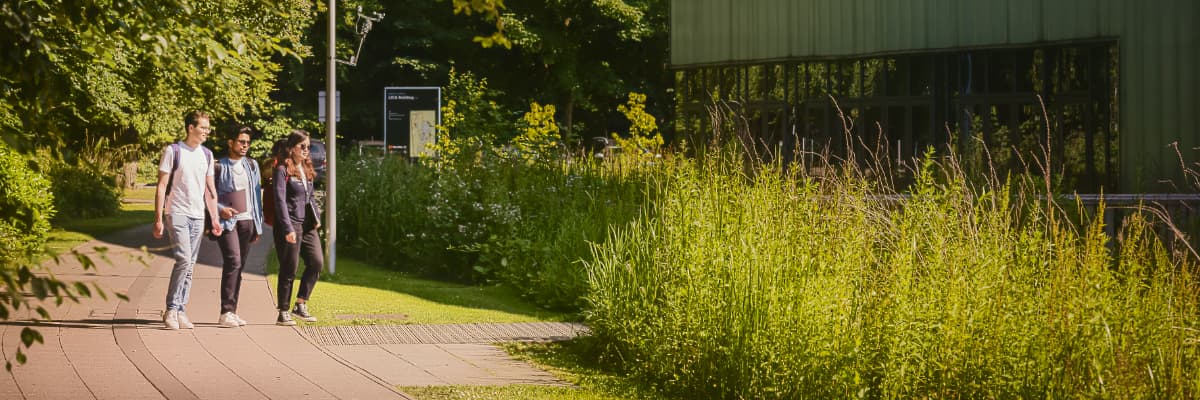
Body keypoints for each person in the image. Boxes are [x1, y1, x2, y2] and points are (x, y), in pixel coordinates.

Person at [154, 110, 221, 330]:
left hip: (198, 215)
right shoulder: (173, 151)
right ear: (190, 128)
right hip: (177, 212)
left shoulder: (208, 155)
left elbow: (210, 190)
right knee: (183, 259)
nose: (206, 132)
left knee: (190, 265)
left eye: (208, 128)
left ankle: (181, 309)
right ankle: (171, 309)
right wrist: (158, 218)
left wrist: (215, 218)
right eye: (203, 127)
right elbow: (162, 186)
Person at [213, 126, 264, 328]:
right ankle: (225, 311)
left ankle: (232, 311)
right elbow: (208, 194)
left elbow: (257, 196)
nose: (245, 146)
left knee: (239, 266)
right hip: (228, 221)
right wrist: (220, 209)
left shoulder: (252, 165)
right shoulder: (219, 166)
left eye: (247, 143)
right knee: (233, 261)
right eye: (241, 142)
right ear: (231, 142)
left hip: (247, 221)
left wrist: (258, 226)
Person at [271, 130, 323, 326]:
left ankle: (300, 303)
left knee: (316, 262)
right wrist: (287, 228)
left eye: (308, 147)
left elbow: (310, 197)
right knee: (289, 268)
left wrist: (316, 217)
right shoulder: (282, 169)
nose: (306, 150)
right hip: (290, 223)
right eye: (303, 146)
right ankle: (283, 311)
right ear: (292, 148)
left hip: (307, 225)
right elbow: (279, 200)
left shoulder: (307, 168)